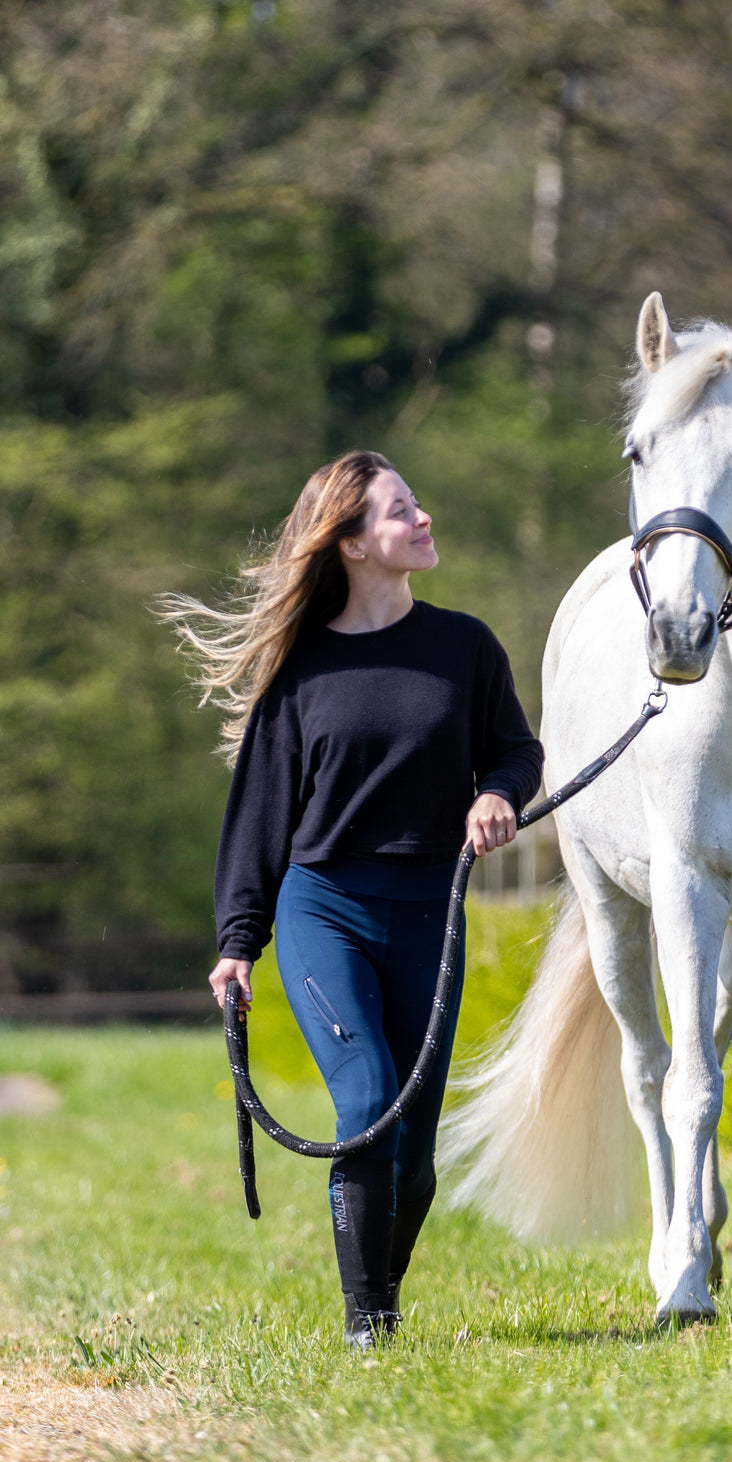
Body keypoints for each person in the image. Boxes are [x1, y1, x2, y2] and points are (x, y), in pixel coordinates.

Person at [160, 451, 543, 1349]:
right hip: (324, 905)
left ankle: (380, 1289)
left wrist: (498, 795)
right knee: (369, 1100)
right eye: (401, 510)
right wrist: (237, 942)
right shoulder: (301, 676)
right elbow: (258, 817)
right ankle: (368, 1329)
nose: (424, 518)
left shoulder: (467, 648)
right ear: (354, 545)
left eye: (417, 503)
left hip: (430, 912)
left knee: (413, 1159)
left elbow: (516, 752)